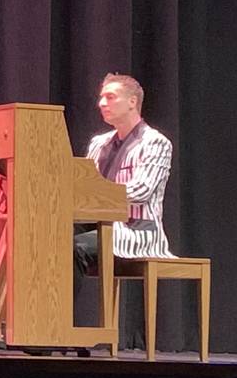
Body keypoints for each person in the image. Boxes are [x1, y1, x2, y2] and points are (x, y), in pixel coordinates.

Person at [74, 73, 174, 276]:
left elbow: (141, 192)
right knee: (49, 240)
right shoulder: (99, 143)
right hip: (99, 224)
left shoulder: (155, 142)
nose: (101, 103)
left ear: (132, 101)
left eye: (110, 97)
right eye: (101, 97)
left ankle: (61, 308)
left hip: (137, 231)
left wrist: (95, 195)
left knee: (73, 249)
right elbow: (85, 184)